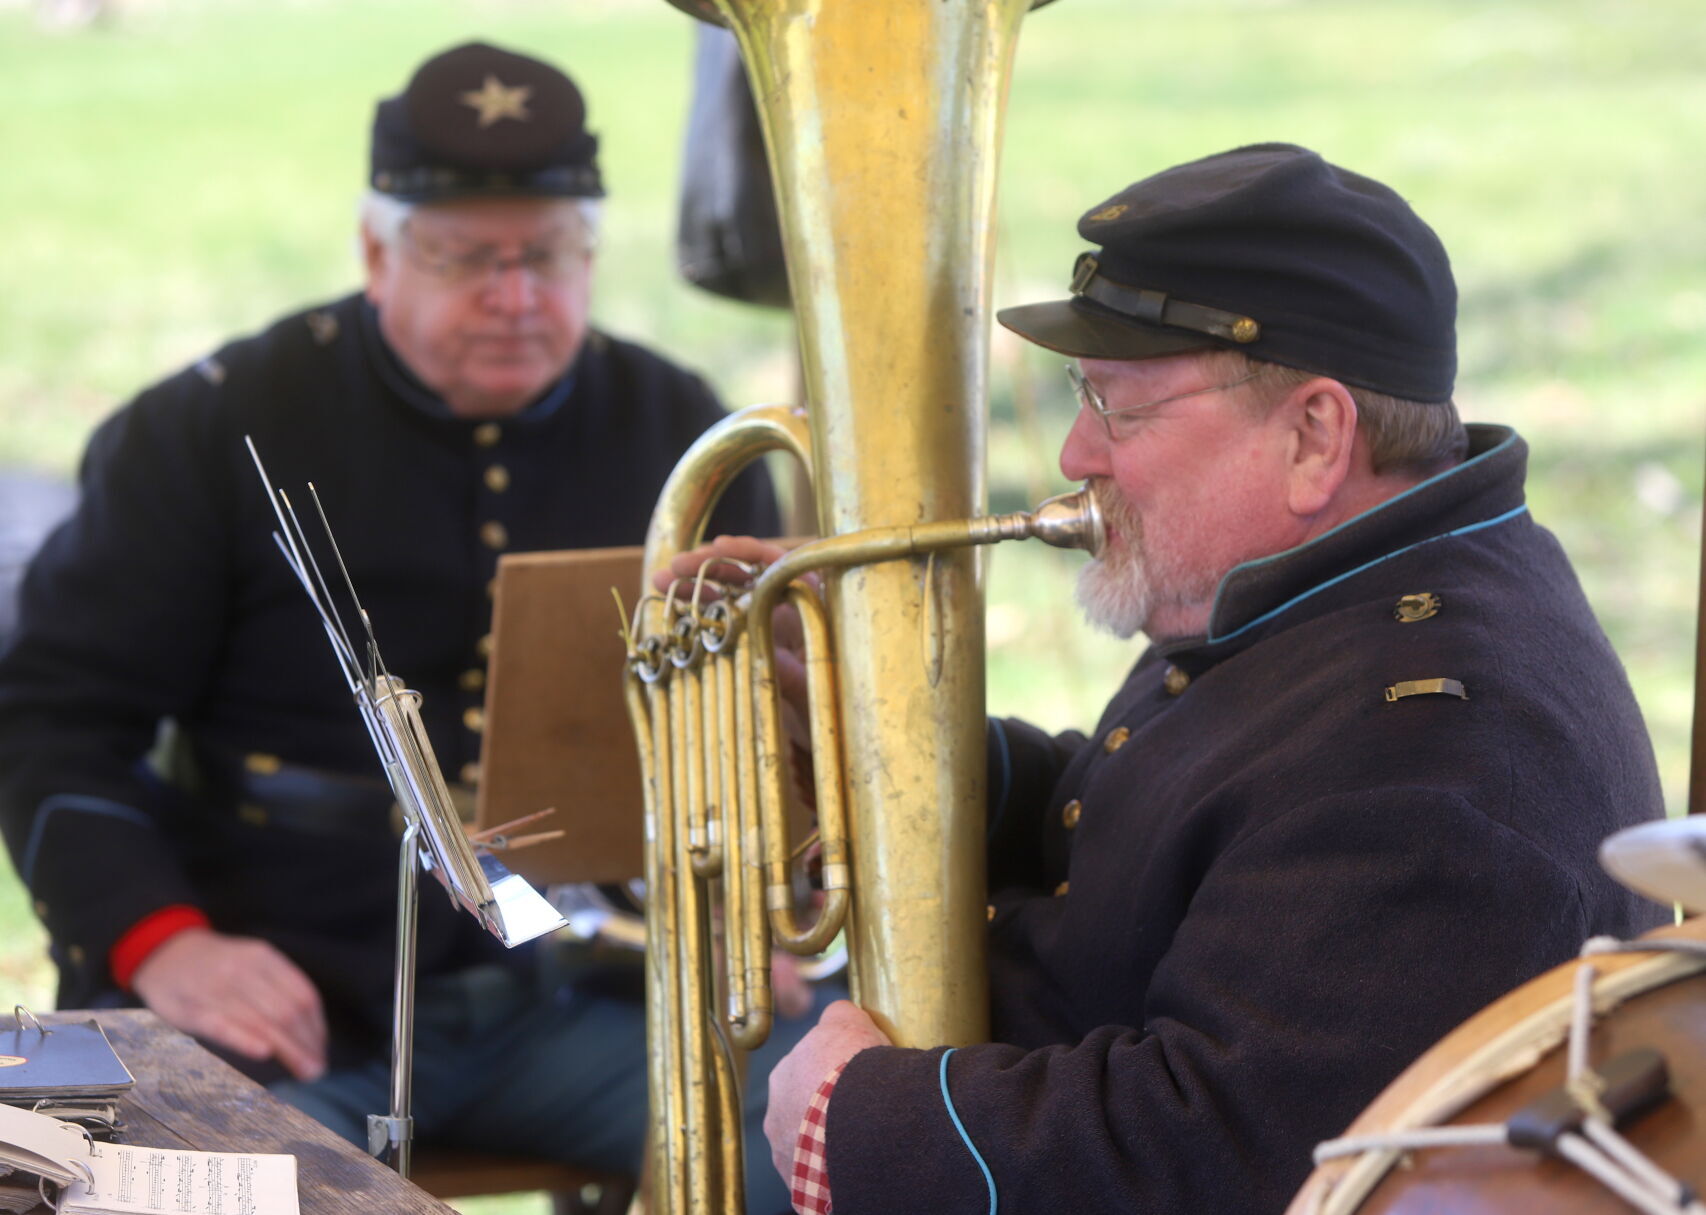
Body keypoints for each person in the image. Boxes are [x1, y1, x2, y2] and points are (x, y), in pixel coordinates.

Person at [710, 143, 1666, 1213]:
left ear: (1313, 435)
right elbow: (1158, 837)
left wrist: (871, 1122)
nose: (1075, 453)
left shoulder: (1433, 757)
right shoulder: (1330, 590)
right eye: (1083, 395)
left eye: (1121, 408)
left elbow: (1231, 1156)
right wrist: (879, 742)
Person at [0, 39, 800, 1205]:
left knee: (826, 1141)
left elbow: (747, 729)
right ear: (377, 252)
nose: (515, 294)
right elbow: (52, 721)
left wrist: (753, 920)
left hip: (580, 998)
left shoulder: (677, 426)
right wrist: (159, 938)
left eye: (549, 253)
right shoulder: (212, 426)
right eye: (466, 256)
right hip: (278, 1004)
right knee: (188, 1193)